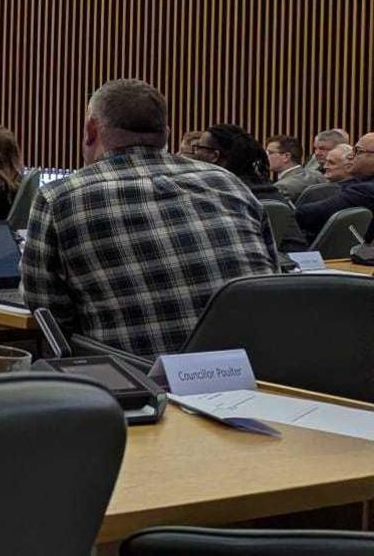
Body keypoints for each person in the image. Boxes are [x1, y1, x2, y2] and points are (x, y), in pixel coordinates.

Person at [20, 79, 275, 359]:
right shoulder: (229, 184)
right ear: (166, 134)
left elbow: (46, 309)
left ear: (92, 130)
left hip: (134, 376)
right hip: (255, 373)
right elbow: (270, 279)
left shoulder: (60, 197)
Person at [295, 132, 374, 238]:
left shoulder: (365, 191)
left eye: (358, 151)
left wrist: (285, 213)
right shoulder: (360, 184)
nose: (351, 156)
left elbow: (310, 215)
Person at [202, 125, 284, 205]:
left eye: (198, 147)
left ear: (215, 156)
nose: (195, 152)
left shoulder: (216, 197)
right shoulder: (272, 190)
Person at [268, 135, 322, 201]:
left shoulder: (282, 187)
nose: (266, 156)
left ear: (286, 156)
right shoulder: (318, 175)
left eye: (270, 153)